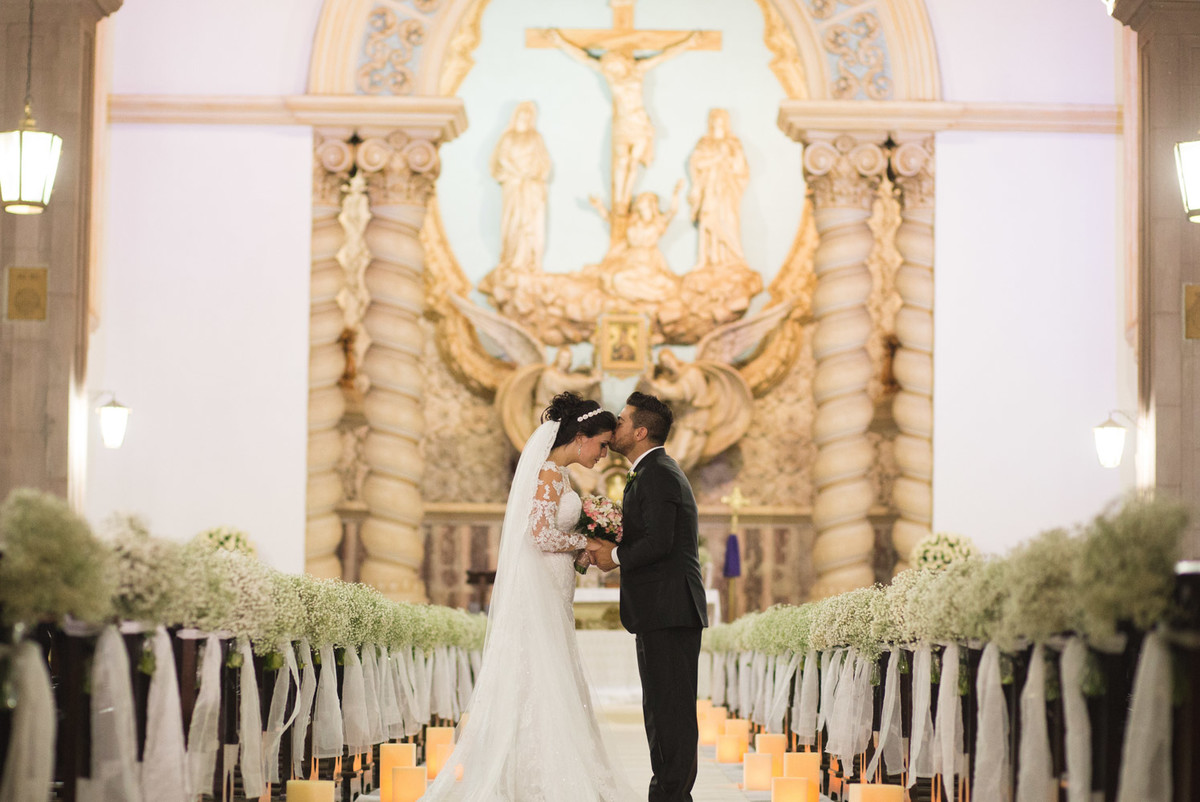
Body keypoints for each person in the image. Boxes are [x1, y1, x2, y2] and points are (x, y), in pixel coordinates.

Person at [424, 392, 634, 801]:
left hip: (553, 584)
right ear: (581, 436)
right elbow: (540, 535)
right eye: (602, 444)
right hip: (541, 586)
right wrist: (584, 543)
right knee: (540, 670)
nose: (604, 454)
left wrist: (583, 547)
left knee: (552, 668)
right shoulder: (550, 475)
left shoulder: (561, 475)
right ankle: (535, 779)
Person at [588, 392, 709, 802]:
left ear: (640, 431)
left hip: (669, 610)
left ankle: (672, 796)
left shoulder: (657, 473)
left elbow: (659, 541)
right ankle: (668, 793)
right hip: (663, 610)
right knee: (661, 710)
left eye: (621, 421)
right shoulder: (651, 470)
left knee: (670, 712)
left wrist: (614, 555)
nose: (614, 427)